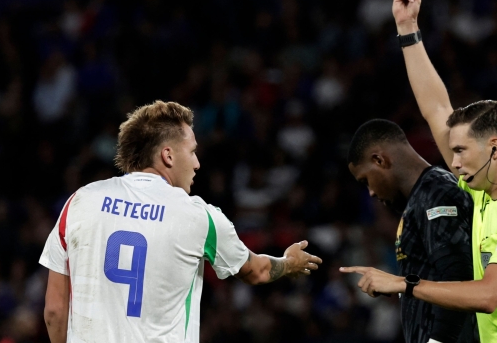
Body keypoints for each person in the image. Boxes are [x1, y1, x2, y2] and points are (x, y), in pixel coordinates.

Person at [341, 0, 497, 342]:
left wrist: (403, 284)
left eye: (461, 151)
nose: (453, 160)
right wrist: (407, 28)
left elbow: (488, 296)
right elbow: (436, 108)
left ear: (494, 149)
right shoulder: (481, 194)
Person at [39, 100, 322, 343]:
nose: (198, 163)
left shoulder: (79, 202)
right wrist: (288, 264)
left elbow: (54, 311)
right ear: (168, 155)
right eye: (192, 151)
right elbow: (255, 271)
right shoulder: (200, 217)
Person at [344, 119, 477, 343]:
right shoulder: (420, 198)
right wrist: (398, 286)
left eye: (366, 180)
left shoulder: (436, 194)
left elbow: (458, 278)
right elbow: (433, 278)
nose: (371, 193)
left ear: (379, 160)